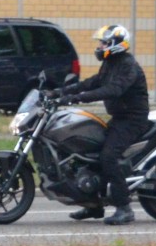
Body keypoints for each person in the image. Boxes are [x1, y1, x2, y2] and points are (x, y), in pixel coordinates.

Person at [59, 25, 149, 226]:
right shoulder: (110, 63)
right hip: (119, 117)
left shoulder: (128, 65)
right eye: (100, 42)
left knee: (109, 157)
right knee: (91, 154)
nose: (100, 46)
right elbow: (93, 82)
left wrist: (79, 98)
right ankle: (94, 205)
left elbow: (113, 89)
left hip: (133, 120)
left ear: (116, 44)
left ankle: (124, 208)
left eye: (104, 43)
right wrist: (61, 93)